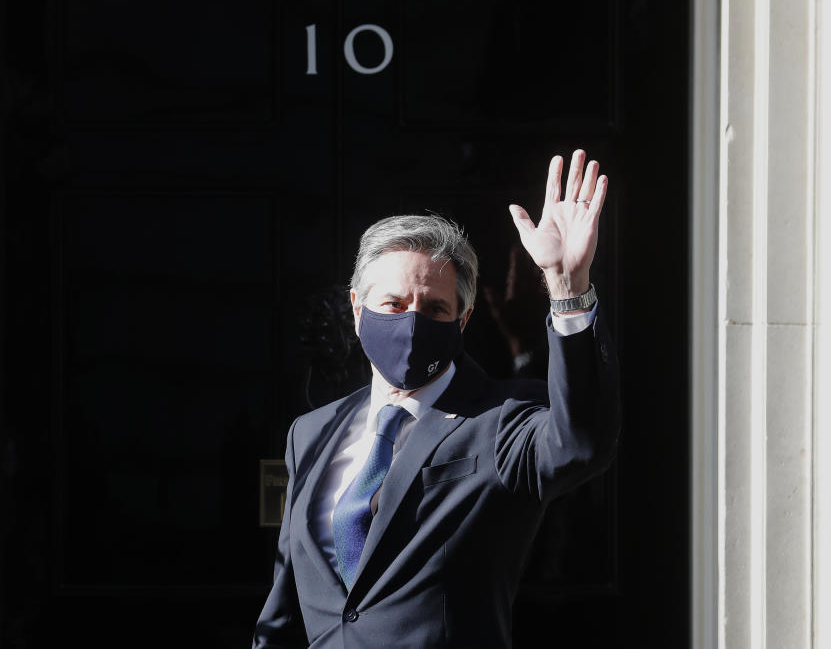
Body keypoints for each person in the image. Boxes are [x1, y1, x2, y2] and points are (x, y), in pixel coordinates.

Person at [253, 150, 620, 648]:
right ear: (358, 310)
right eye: (394, 304)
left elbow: (581, 443)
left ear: (463, 320)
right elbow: (285, 606)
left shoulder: (500, 421)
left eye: (435, 307)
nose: (412, 320)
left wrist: (567, 286)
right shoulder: (312, 433)